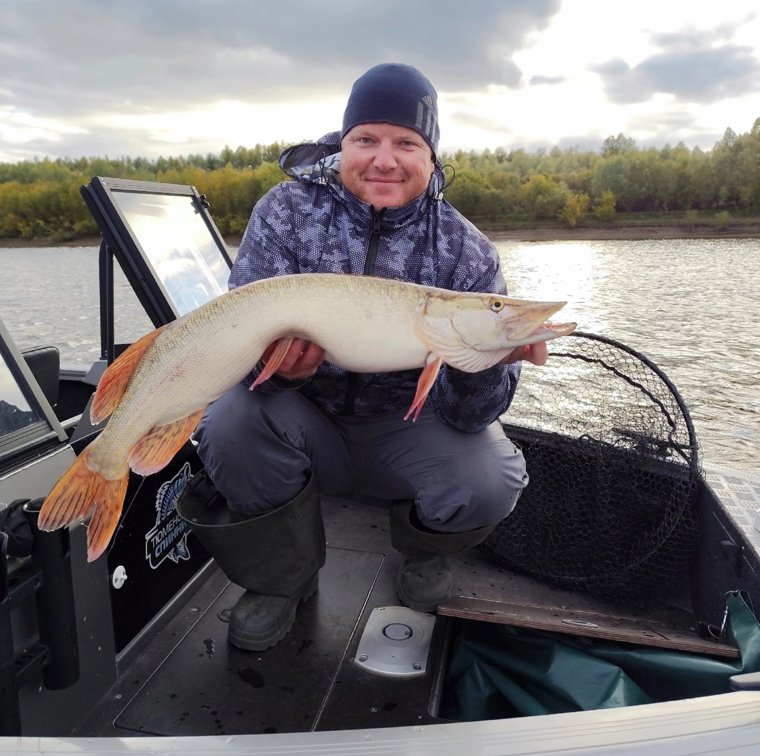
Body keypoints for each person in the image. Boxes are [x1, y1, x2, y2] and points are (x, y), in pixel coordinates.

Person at [177, 63, 548, 651]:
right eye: (366, 139)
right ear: (342, 145)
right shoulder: (285, 214)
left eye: (407, 143)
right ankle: (282, 580)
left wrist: (489, 362)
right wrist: (283, 375)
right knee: (228, 421)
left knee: (491, 477)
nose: (384, 159)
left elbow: (475, 418)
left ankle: (424, 554)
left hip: (405, 430)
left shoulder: (466, 250)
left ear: (432, 158)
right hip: (306, 423)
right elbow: (240, 342)